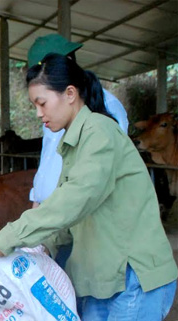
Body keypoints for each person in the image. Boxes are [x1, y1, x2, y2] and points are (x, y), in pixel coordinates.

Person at [0, 53, 177, 321]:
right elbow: (68, 219)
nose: (39, 113)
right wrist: (35, 251)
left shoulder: (101, 135)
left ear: (70, 93)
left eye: (42, 102)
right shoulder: (73, 143)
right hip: (101, 279)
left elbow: (75, 201)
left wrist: (10, 236)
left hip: (134, 277)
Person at [27, 34, 129, 206]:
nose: (39, 113)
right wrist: (37, 199)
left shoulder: (106, 111)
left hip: (76, 212)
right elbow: (49, 159)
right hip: (52, 211)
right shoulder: (53, 111)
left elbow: (96, 179)